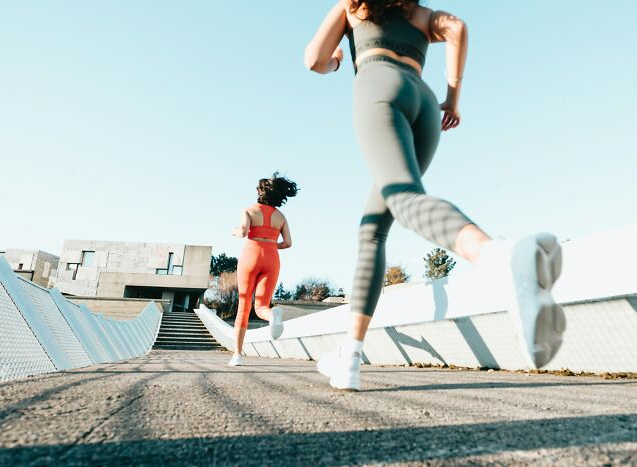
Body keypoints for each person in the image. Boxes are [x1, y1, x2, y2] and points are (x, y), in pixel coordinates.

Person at [305, 0, 565, 390]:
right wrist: (452, 99)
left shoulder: (352, 6)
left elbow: (314, 60)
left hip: (378, 85)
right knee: (373, 228)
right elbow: (457, 28)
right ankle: (351, 357)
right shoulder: (419, 14)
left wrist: (339, 60)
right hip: (424, 102)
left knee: (404, 199)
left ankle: (497, 257)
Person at [229, 173, 298, 366]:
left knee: (244, 306)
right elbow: (288, 243)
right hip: (271, 258)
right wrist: (269, 244)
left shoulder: (249, 210)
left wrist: (234, 231)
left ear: (261, 192)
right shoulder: (281, 216)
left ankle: (237, 355)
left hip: (251, 255)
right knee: (261, 307)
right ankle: (272, 315)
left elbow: (243, 232)